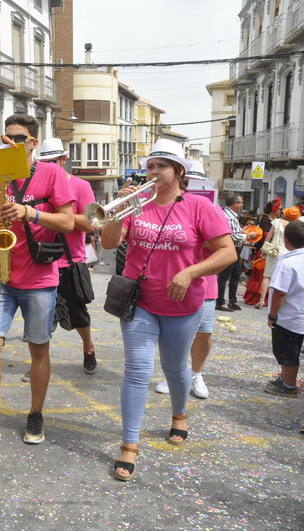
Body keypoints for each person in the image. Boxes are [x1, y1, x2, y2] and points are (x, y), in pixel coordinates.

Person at [99, 139, 235, 481]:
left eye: (162, 166)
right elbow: (110, 242)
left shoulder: (199, 207)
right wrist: (118, 211)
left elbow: (227, 252)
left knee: (175, 368)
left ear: (179, 172)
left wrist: (190, 273)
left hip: (182, 304)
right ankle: (129, 444)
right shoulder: (137, 204)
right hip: (139, 301)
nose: (154, 172)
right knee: (137, 370)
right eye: (151, 166)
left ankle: (179, 413)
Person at [0, 114, 74, 451]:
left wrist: (29, 212)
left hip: (40, 277)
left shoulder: (52, 174)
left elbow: (68, 222)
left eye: (18, 138)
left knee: (39, 348)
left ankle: (35, 414)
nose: (10, 142)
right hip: (2, 274)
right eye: (6, 136)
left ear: (33, 143)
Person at [155, 161, 229, 400]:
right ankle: (173, 374)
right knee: (174, 335)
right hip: (174, 280)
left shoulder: (210, 208)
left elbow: (229, 246)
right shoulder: (172, 203)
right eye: (189, 182)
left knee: (204, 332)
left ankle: (196, 373)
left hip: (205, 281)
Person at [34, 138, 99, 374]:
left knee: (78, 313)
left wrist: (62, 217)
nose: (49, 167)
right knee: (41, 317)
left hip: (69, 260)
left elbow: (91, 223)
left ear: (64, 160)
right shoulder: (36, 185)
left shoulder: (80, 185)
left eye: (54, 161)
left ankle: (88, 347)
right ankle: (39, 363)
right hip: (42, 259)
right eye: (45, 162)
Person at [265, 220, 304, 397]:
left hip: (288, 318)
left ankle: (289, 387)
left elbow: (280, 292)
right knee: (292, 351)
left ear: (286, 241)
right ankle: (286, 379)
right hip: (299, 316)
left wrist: (273, 315)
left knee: (287, 353)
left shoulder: (287, 263)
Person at [258, 205, 297, 307]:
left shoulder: (277, 222)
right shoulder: (294, 226)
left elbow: (268, 236)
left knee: (267, 276)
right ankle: (279, 302)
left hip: (273, 251)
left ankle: (262, 300)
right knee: (282, 278)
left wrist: (263, 250)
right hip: (287, 253)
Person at [216, 193, 246, 312]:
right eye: (240, 202)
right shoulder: (227, 216)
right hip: (229, 248)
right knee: (224, 276)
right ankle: (220, 302)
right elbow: (231, 235)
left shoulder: (233, 215)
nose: (242, 205)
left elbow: (235, 231)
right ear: (234, 203)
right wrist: (247, 236)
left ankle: (232, 301)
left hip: (236, 248)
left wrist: (242, 231)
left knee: (236, 274)